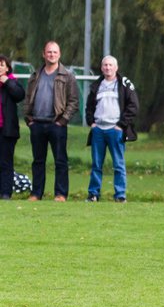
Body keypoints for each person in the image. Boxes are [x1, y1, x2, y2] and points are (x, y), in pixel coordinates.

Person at [22, 40, 78, 202]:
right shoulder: (35, 76)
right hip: (37, 124)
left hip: (57, 125)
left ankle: (60, 194)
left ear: (59, 54)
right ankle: (36, 194)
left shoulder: (67, 76)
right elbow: (27, 99)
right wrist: (29, 119)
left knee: (60, 161)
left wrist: (62, 120)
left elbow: (73, 102)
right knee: (38, 161)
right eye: (49, 52)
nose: (51, 55)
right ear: (43, 54)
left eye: (54, 52)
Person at [84, 55, 140, 202]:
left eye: (110, 65)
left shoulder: (124, 84)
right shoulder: (97, 85)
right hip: (98, 130)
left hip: (115, 130)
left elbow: (133, 106)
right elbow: (89, 106)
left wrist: (121, 125)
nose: (108, 68)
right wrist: (91, 123)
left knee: (118, 164)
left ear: (116, 67)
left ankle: (120, 195)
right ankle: (93, 194)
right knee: (96, 164)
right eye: (105, 65)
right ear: (102, 68)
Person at [0, 55, 26, 199]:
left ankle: (5, 193)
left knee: (5, 162)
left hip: (7, 130)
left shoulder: (13, 83)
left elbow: (19, 95)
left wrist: (7, 82)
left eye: (2, 65)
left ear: (7, 68)